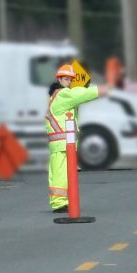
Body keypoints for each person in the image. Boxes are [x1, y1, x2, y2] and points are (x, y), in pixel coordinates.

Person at [46, 64, 108, 213]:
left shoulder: (56, 95)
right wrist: (101, 90)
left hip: (61, 144)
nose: (69, 82)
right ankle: (60, 203)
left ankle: (61, 201)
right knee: (61, 175)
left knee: (60, 175)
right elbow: (81, 94)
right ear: (59, 79)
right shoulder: (62, 94)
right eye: (66, 79)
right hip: (62, 144)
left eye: (71, 79)